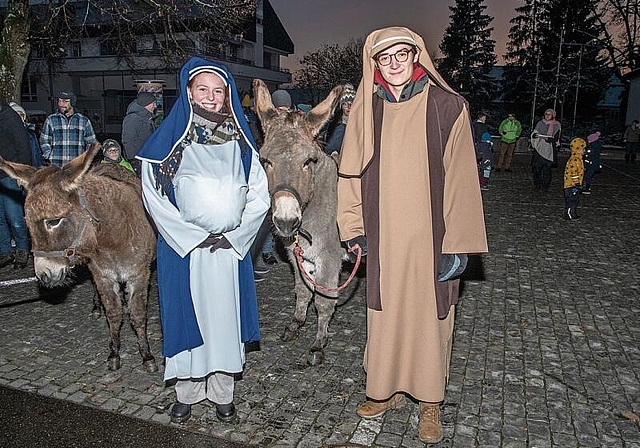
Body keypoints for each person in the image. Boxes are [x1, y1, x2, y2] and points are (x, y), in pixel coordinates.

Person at [336, 26, 488, 444]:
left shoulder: (447, 106)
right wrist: (353, 227)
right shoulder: (365, 112)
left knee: (429, 319)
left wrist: (457, 244)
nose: (395, 64)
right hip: (383, 237)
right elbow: (349, 175)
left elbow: (461, 179)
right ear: (375, 64)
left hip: (430, 238)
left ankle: (429, 402)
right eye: (385, 58)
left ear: (416, 55)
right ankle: (385, 391)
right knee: (384, 317)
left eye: (402, 54)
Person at [136, 57, 270, 424]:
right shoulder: (168, 144)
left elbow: (260, 195)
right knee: (187, 319)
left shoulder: (242, 143)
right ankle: (188, 393)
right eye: (203, 90)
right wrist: (192, 237)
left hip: (227, 251)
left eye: (218, 91)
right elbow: (153, 196)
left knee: (223, 323)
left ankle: (222, 392)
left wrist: (236, 235)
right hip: (189, 252)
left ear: (227, 95)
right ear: (188, 93)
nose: (211, 98)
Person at [0, 102, 32, 269]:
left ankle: (22, 249)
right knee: (0, 218)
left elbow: (23, 146)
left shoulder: (10, 117)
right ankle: (5, 251)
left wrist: (22, 174)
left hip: (10, 174)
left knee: (14, 217)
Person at [40, 91, 96, 166]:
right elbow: (44, 140)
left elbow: (91, 142)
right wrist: (48, 155)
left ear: (72, 103)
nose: (60, 104)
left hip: (76, 166)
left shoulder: (84, 121)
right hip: (56, 165)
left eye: (65, 101)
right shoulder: (51, 120)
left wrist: (86, 159)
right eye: (59, 101)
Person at [122, 91, 157, 174]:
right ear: (146, 103)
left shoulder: (146, 117)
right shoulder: (133, 118)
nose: (155, 106)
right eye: (153, 103)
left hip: (144, 158)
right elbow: (128, 140)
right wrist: (133, 160)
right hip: (138, 160)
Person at [530, 108, 561, 191]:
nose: (547, 116)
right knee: (536, 168)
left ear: (552, 115)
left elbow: (556, 137)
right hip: (539, 148)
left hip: (549, 150)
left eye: (549, 114)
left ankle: (545, 186)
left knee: (547, 170)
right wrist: (535, 136)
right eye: (546, 114)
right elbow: (534, 133)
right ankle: (537, 184)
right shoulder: (540, 123)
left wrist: (550, 139)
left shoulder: (556, 125)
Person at [9, 102, 45, 168]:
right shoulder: (5, 134)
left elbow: (37, 154)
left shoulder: (31, 134)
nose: (19, 117)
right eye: (16, 114)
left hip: (30, 171)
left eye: (21, 114)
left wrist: (40, 168)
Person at [324, 83, 356, 156]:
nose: (348, 106)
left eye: (351, 103)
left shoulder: (361, 123)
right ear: (341, 106)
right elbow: (329, 148)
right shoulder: (337, 126)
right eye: (345, 104)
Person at [563, 137, 585, 220]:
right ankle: (568, 214)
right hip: (571, 185)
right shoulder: (575, 160)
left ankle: (573, 213)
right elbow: (574, 172)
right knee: (571, 200)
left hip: (574, 185)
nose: (584, 150)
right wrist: (577, 183)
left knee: (575, 200)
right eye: (583, 149)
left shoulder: (579, 159)